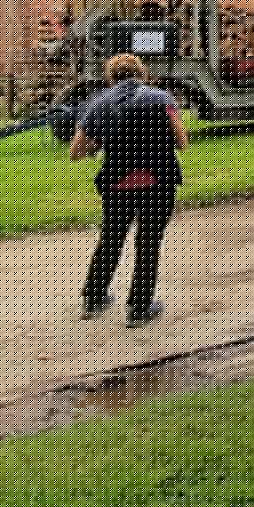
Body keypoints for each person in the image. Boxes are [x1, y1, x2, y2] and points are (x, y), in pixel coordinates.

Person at [72, 53, 190, 328]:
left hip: (117, 183)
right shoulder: (162, 98)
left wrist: (98, 144)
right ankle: (139, 307)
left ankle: (93, 297)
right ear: (142, 74)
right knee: (148, 242)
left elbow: (76, 152)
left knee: (111, 239)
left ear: (110, 77)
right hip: (157, 181)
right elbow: (181, 141)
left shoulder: (98, 104)